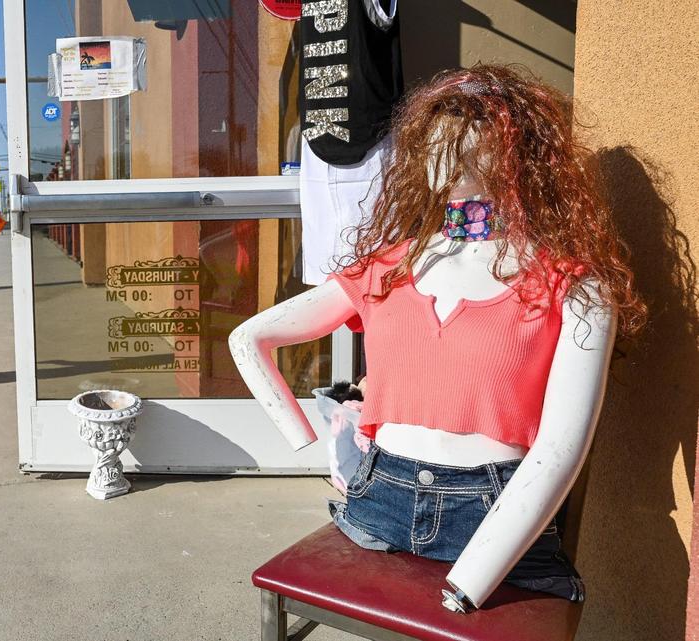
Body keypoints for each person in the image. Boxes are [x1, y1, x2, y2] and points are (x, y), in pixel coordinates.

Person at [230, 65, 645, 611]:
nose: (444, 150)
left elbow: (561, 449)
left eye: (472, 130)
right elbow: (249, 339)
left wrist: (471, 581)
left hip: (496, 514)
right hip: (375, 504)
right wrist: (303, 441)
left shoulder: (574, 288)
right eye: (435, 133)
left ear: (517, 152)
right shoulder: (386, 270)